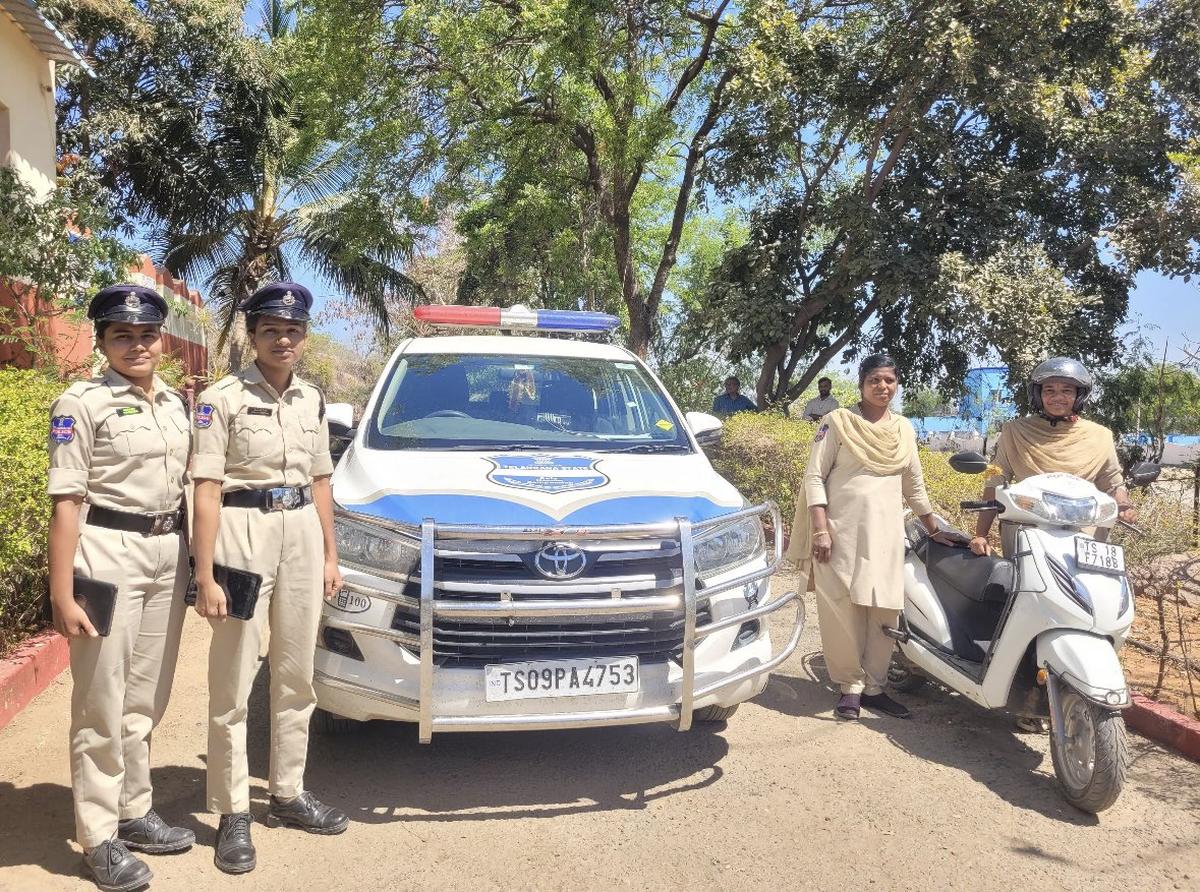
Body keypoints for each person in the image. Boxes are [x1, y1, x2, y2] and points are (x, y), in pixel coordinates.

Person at [190, 282, 348, 875]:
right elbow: (206, 487)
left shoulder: (312, 399)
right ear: (252, 336)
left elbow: (321, 480)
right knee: (233, 679)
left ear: (304, 336)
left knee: (296, 674)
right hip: (242, 533)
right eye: (271, 330)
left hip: (302, 532)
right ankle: (233, 811)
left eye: (293, 330)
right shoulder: (221, 398)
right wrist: (205, 572)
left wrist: (330, 555)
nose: (283, 339)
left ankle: (287, 792)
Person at [47, 284, 194, 892]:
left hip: (167, 553)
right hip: (107, 553)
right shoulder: (81, 403)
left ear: (162, 339)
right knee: (101, 700)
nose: (137, 345)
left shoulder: (176, 403)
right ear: (103, 341)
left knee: (147, 695)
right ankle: (99, 835)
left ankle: (134, 809)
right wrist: (62, 592)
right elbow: (66, 500)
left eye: (146, 334)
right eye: (122, 335)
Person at [790, 353, 956, 721]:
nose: (883, 387)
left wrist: (934, 529)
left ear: (897, 385)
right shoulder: (838, 422)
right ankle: (850, 686)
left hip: (886, 534)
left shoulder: (904, 429)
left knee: (885, 609)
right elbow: (815, 476)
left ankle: (875, 688)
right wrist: (820, 529)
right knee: (843, 609)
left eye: (889, 380)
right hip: (839, 533)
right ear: (862, 384)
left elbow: (913, 485)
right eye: (875, 380)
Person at [969, 357, 1137, 558]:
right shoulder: (1014, 431)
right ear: (1038, 394)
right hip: (1027, 529)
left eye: (1067, 390)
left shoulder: (1100, 435)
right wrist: (981, 535)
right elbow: (995, 481)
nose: (1058, 397)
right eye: (1049, 390)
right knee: (1010, 576)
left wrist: (1124, 505)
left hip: (1084, 533)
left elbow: (1112, 482)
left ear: (1079, 395)